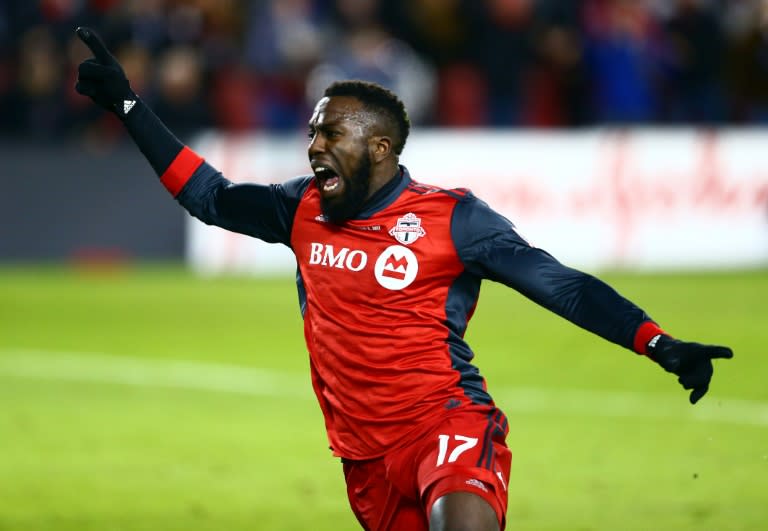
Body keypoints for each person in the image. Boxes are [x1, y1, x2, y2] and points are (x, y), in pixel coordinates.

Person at [73, 27, 733, 531]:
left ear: (381, 149)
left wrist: (655, 339)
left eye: (332, 133)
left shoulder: (455, 219)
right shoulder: (299, 207)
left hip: (447, 422)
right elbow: (210, 196)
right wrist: (130, 106)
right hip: (364, 457)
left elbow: (560, 284)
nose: (314, 145)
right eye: (311, 132)